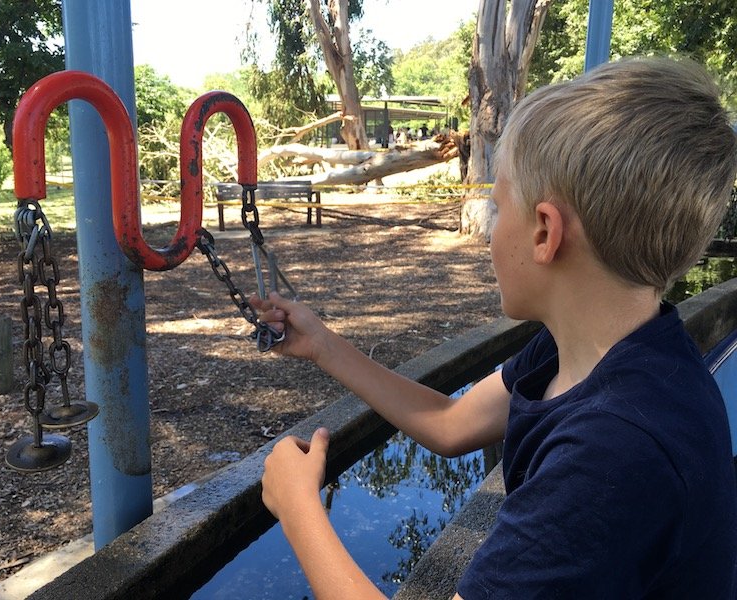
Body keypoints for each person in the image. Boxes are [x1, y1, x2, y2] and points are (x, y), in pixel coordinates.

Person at [251, 56, 737, 599]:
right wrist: (323, 345)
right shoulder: (590, 352)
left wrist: (298, 509)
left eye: (500, 205)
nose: (489, 232)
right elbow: (451, 424)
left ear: (544, 234)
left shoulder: (613, 453)